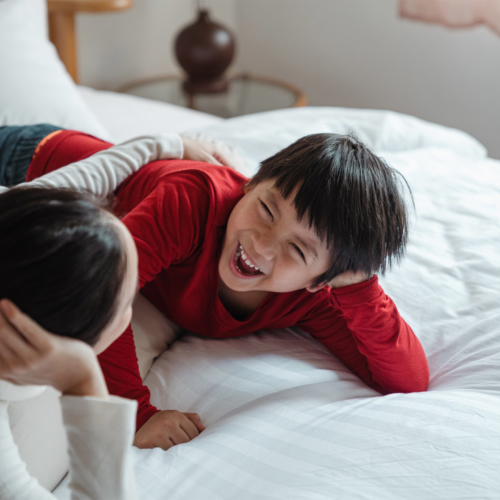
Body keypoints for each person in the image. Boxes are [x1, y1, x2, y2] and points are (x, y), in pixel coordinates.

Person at [17, 127, 430, 452]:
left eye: (297, 250)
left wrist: (359, 289)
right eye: (267, 210)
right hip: (35, 161)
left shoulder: (311, 299)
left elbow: (406, 379)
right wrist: (137, 415)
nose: (262, 245)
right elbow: (100, 294)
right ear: (250, 184)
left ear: (322, 281)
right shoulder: (191, 202)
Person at [0, 125, 241, 499]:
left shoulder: (19, 216)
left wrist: (174, 143)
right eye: (129, 301)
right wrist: (83, 383)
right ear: (80, 340)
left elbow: (101, 169)